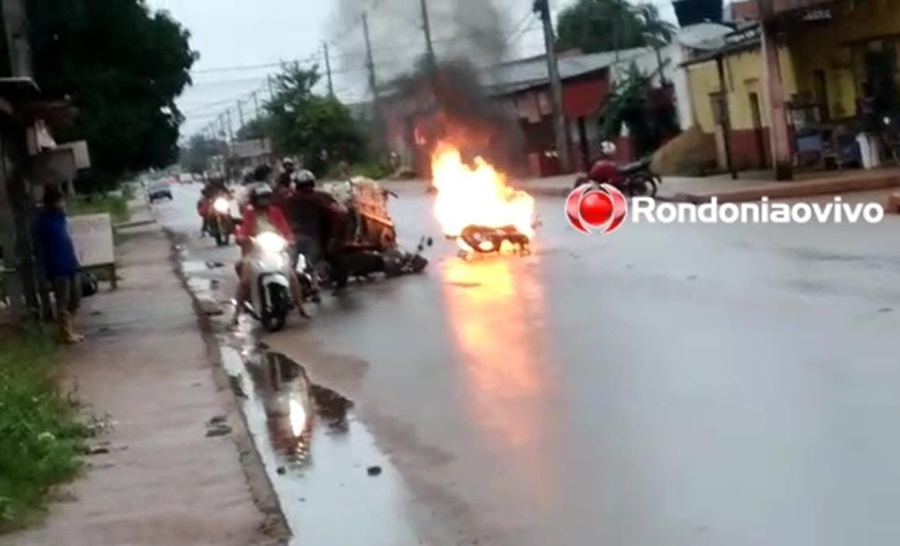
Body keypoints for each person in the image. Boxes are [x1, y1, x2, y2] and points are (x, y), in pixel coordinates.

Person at [232, 183, 310, 325]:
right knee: (244, 281)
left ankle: (300, 307)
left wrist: (290, 239)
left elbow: (285, 229)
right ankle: (236, 313)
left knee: (292, 276)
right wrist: (241, 237)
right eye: (261, 199)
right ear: (255, 200)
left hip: (276, 251)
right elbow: (243, 230)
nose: (264, 202)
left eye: (266, 198)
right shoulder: (249, 214)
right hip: (255, 252)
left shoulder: (276, 212)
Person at [35, 186, 84, 344]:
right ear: (53, 202)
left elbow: (66, 240)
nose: (63, 203)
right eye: (60, 201)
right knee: (63, 300)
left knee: (75, 298)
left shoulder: (61, 218)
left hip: (69, 262)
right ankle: (65, 333)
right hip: (57, 266)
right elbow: (42, 247)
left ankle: (70, 329)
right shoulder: (44, 222)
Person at [856, 82, 882, 169]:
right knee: (873, 142)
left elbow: (858, 114)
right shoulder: (875, 101)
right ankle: (874, 162)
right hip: (872, 124)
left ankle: (868, 163)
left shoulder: (860, 101)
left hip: (865, 124)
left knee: (866, 143)